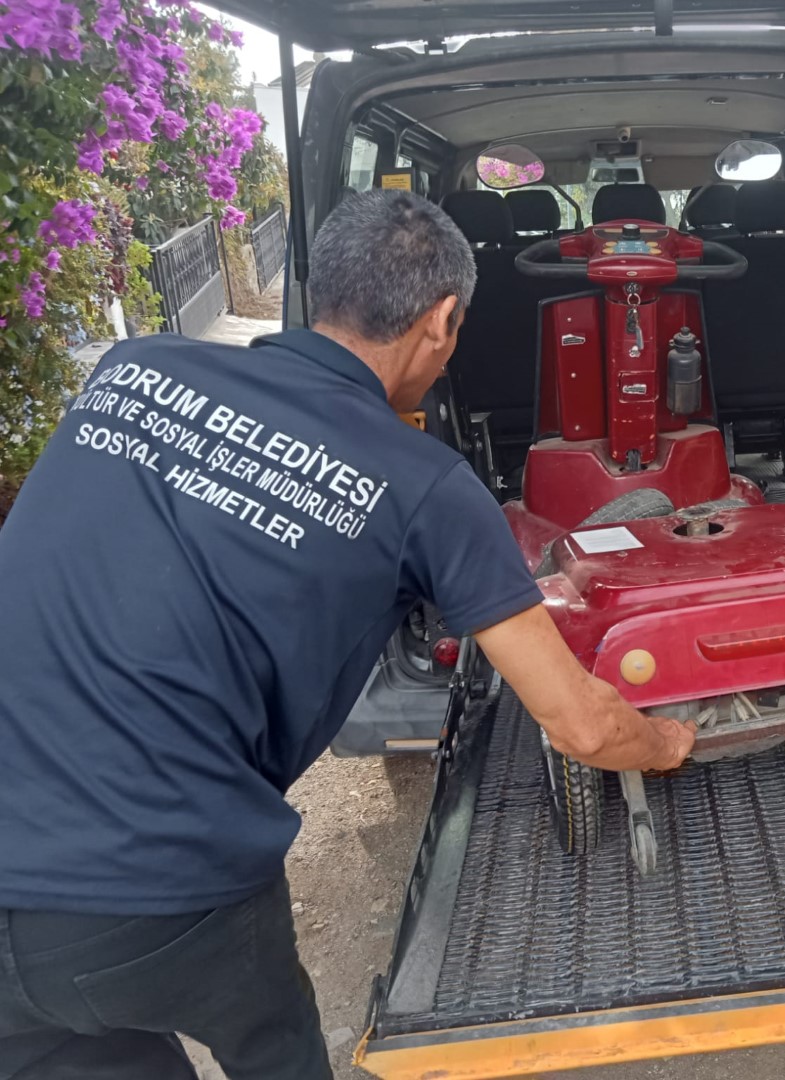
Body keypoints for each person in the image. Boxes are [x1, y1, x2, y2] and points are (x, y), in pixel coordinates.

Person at [0, 190, 694, 1080]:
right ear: (442, 322)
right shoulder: (425, 486)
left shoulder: (129, 371)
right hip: (164, 885)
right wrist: (668, 744)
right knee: (273, 1051)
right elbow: (583, 727)